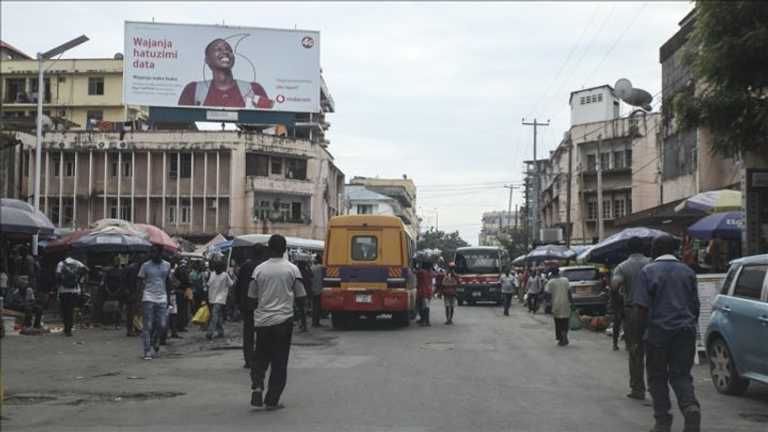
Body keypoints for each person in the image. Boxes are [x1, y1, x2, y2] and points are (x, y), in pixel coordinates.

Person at [634, 235, 700, 432]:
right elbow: (695, 305)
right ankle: (690, 407)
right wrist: (689, 326)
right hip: (685, 332)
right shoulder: (687, 272)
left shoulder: (648, 272)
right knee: (681, 375)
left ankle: (663, 421)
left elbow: (641, 308)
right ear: (674, 251)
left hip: (658, 334)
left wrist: (637, 337)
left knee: (657, 377)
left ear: (655, 250)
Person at [247, 234, 306, 410]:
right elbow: (301, 296)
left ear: (269, 249)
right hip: (283, 321)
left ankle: (257, 386)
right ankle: (272, 400)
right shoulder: (292, 270)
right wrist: (302, 318)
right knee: (279, 362)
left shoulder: (258, 270)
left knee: (261, 358)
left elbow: (251, 298)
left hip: (263, 321)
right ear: (284, 249)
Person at [178, 38, 274, 109]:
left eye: (229, 50)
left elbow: (269, 120)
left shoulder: (253, 89)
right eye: (218, 49)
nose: (225, 52)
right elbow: (181, 124)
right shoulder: (193, 90)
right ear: (207, 60)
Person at [611, 236, 652, 400]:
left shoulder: (622, 266)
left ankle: (638, 389)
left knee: (635, 350)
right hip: (653, 311)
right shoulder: (652, 264)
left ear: (628, 249)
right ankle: (657, 388)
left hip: (633, 312)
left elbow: (615, 285)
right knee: (655, 351)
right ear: (643, 248)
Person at [236, 244, 268, 368]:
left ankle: (248, 359)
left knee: (248, 333)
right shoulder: (265, 267)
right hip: (262, 305)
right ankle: (261, 358)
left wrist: (238, 303)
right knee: (262, 333)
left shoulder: (245, 266)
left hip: (247, 304)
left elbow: (238, 286)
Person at [138, 246, 171, 360]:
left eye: (155, 252)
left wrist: (169, 299)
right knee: (148, 325)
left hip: (162, 297)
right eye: (151, 252)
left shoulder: (167, 265)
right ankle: (147, 351)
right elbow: (140, 282)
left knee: (162, 324)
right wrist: (139, 299)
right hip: (148, 296)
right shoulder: (145, 266)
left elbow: (168, 281)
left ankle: (154, 340)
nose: (152, 254)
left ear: (161, 253)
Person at [55, 255, 88, 337]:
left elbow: (57, 275)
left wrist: (61, 283)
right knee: (71, 310)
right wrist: (79, 280)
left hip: (63, 290)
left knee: (64, 310)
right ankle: (69, 329)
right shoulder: (78, 263)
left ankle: (67, 328)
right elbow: (87, 270)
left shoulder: (61, 263)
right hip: (75, 290)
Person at [207, 256, 234, 340]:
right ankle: (221, 331)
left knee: (214, 315)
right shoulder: (212, 274)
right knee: (218, 315)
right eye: (216, 267)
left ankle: (210, 332)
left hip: (220, 298)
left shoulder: (225, 275)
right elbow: (208, 285)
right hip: (212, 297)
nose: (217, 269)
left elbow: (231, 284)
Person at [547, 267, 572, 346]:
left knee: (558, 322)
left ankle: (561, 338)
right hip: (566, 303)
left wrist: (548, 303)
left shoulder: (551, 282)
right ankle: (565, 334)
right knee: (565, 321)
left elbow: (547, 293)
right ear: (559, 272)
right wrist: (572, 302)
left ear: (552, 274)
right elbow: (569, 292)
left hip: (556, 304)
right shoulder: (566, 280)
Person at [122, 257, 141, 337]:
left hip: (135, 292)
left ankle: (136, 328)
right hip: (132, 292)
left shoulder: (136, 268)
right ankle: (131, 330)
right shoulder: (133, 268)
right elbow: (125, 280)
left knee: (135, 312)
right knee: (132, 312)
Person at [416, 262, 434, 326]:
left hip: (423, 292)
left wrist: (418, 267)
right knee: (426, 306)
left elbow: (417, 273)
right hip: (428, 292)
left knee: (423, 307)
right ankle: (426, 321)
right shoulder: (431, 273)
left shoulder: (423, 272)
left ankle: (424, 321)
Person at [310, 254, 324, 328]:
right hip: (319, 290)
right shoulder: (321, 267)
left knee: (314, 306)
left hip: (312, 289)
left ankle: (314, 322)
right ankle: (316, 322)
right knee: (317, 307)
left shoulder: (311, 268)